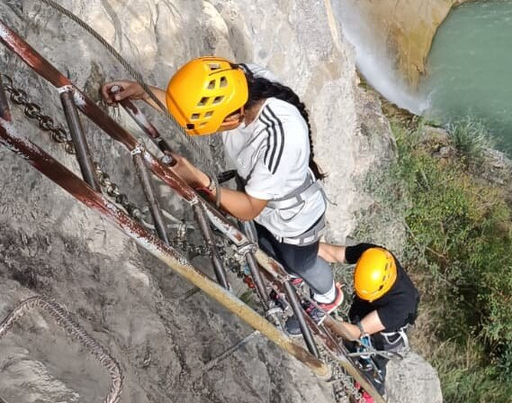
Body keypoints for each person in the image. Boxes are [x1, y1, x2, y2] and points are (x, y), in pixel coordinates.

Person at [103, 57, 343, 324]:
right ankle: (290, 275)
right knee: (266, 247)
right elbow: (190, 108)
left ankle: (328, 297)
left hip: (293, 219)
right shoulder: (240, 83)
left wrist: (198, 179)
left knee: (300, 262)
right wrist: (142, 92)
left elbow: (250, 208)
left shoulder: (279, 138)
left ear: (231, 118)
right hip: (263, 198)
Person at [316, 241, 419, 397]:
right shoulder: (372, 256)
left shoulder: (401, 304)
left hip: (384, 335)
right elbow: (332, 253)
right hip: (365, 311)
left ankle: (372, 394)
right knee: (350, 344)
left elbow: (357, 332)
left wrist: (324, 318)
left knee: (370, 366)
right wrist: (302, 247)